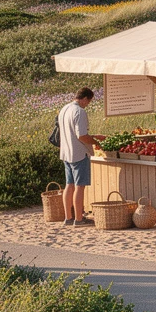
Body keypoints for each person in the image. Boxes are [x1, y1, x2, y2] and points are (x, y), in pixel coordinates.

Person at [57, 87, 100, 226]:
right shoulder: (79, 112)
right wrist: (96, 141)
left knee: (69, 185)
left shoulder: (65, 109)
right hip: (79, 153)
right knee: (79, 186)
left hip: (66, 152)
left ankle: (68, 217)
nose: (88, 104)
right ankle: (79, 219)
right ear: (86, 98)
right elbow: (81, 136)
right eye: (89, 101)